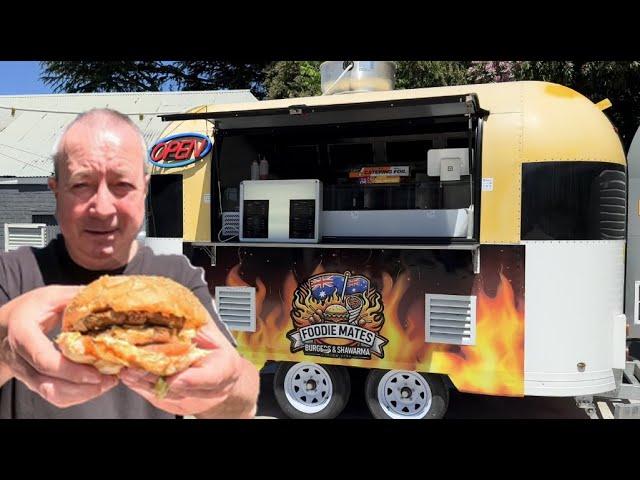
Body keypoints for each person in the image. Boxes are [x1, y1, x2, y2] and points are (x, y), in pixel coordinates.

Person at [0, 108, 260, 419]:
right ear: (56, 192)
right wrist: (4, 334)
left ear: (144, 189)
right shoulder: (10, 274)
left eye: (122, 184)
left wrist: (228, 385)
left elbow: (243, 400)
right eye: (82, 184)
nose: (103, 208)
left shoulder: (175, 279)